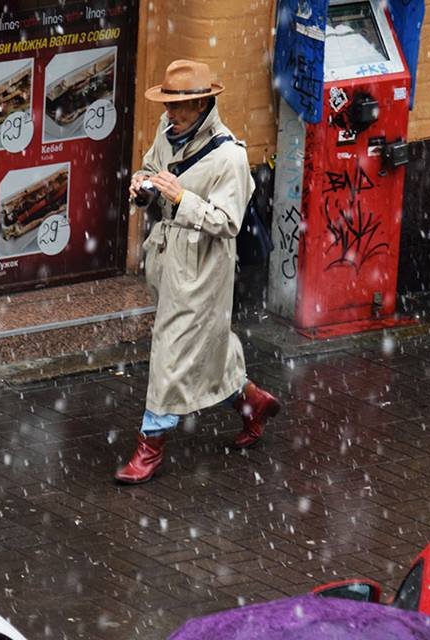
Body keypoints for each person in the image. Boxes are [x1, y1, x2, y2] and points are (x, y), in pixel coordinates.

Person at [115, 60, 281, 484]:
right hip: (169, 260)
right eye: (168, 103)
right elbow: (153, 169)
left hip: (204, 268)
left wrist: (183, 197)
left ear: (204, 102)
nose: (170, 112)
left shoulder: (230, 156)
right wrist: (142, 187)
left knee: (171, 349)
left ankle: (149, 446)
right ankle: (252, 402)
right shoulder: (165, 132)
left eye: (180, 105)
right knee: (207, 343)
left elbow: (228, 222)